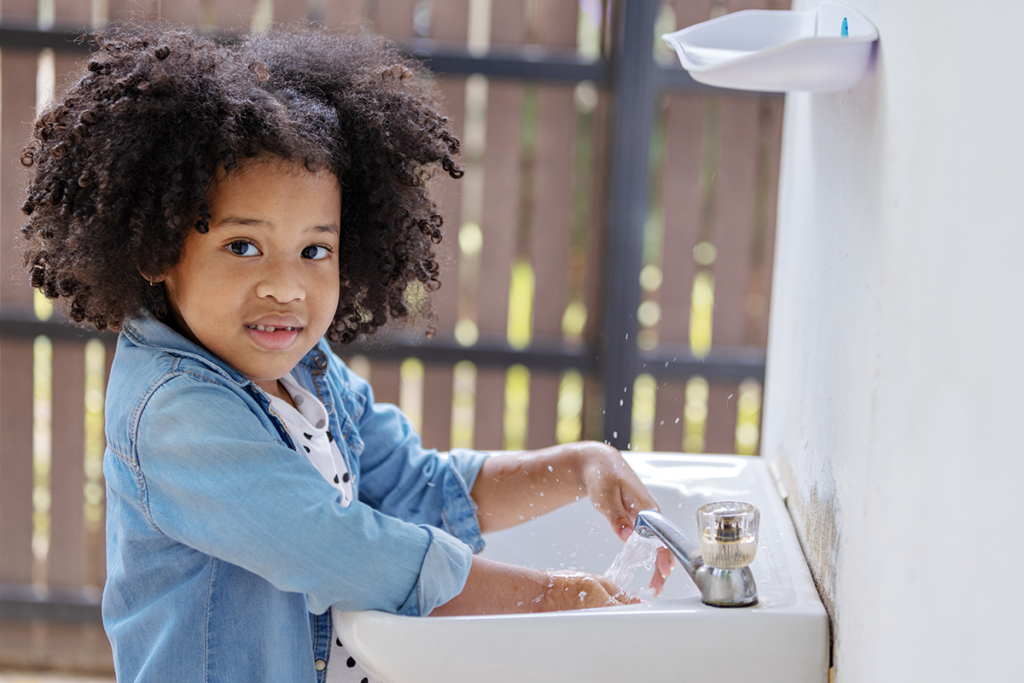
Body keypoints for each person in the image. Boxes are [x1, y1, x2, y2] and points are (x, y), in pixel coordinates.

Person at [19, 23, 672, 683]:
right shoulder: (175, 413)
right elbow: (345, 551)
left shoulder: (304, 375)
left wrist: (577, 465)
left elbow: (419, 489)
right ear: (157, 248)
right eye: (243, 246)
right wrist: (559, 597)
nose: (285, 286)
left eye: (315, 250)